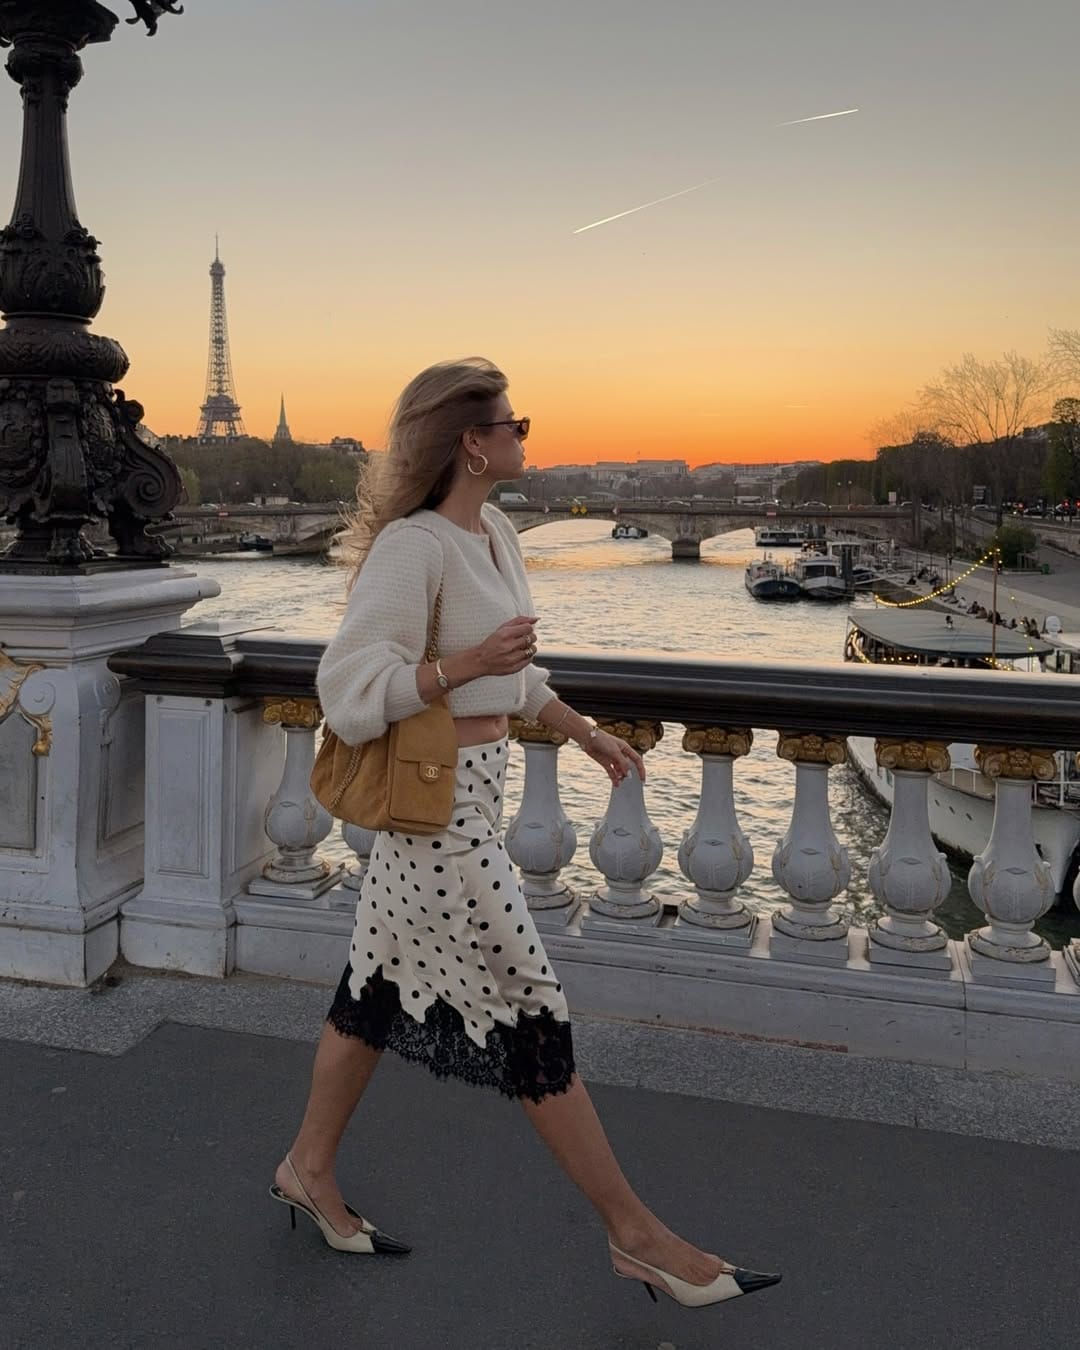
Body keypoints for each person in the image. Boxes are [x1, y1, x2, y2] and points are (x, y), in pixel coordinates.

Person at [269, 358, 780, 1310]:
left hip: (476, 800)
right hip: (437, 822)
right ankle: (639, 1236)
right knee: (532, 1005)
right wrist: (457, 666)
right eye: (514, 423)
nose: (523, 437)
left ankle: (306, 1166)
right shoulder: (413, 548)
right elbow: (344, 686)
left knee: (370, 995)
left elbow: (515, 676)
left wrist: (582, 731)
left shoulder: (495, 532)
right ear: (472, 441)